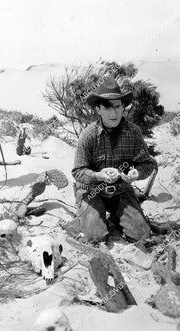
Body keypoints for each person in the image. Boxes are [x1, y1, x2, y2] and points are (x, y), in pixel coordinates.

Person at [70, 77, 155, 242]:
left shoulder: (134, 133)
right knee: (94, 236)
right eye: (107, 107)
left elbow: (147, 164)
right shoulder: (88, 135)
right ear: (98, 109)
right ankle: (90, 217)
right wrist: (98, 176)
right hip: (93, 191)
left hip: (122, 190)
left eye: (117, 106)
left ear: (123, 107)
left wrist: (136, 174)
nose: (114, 113)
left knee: (141, 234)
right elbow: (78, 171)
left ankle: (119, 217)